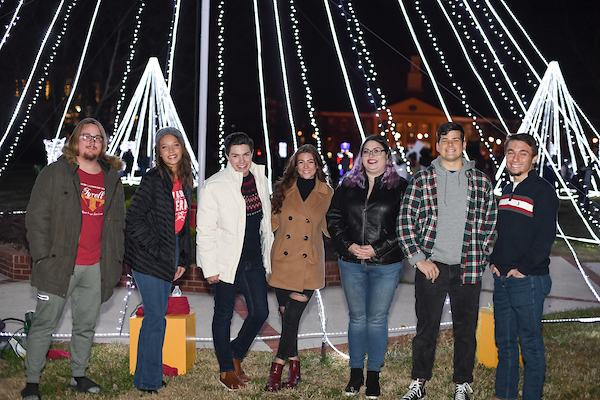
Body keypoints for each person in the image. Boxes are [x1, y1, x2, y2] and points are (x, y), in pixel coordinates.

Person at [22, 118, 125, 400]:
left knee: (85, 325)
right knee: (44, 324)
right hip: (59, 264)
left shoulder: (112, 179)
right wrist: (42, 257)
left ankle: (78, 375)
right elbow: (37, 216)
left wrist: (115, 259)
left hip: (95, 267)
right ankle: (32, 381)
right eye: (86, 136)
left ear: (103, 145)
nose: (92, 142)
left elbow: (117, 225)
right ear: (75, 141)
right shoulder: (55, 173)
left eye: (98, 138)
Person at [398, 122, 497, 400]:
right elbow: (405, 222)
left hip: (468, 267)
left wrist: (480, 255)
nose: (451, 145)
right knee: (426, 328)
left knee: (465, 330)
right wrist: (419, 259)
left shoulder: (480, 181)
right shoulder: (421, 180)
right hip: (432, 267)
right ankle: (418, 382)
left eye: (456, 140)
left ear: (464, 145)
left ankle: (462, 383)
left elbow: (490, 224)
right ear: (438, 145)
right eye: (445, 140)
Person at [327, 135, 408, 399]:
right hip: (350, 262)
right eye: (366, 151)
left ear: (387, 156)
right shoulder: (347, 185)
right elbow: (334, 218)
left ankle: (373, 375)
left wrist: (378, 248)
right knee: (357, 319)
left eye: (377, 150)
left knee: (376, 320)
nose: (371, 155)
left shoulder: (401, 187)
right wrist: (347, 245)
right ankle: (355, 374)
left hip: (386, 263)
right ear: (360, 157)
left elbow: (406, 226)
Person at [196, 132, 273, 391]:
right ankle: (226, 370)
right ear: (227, 156)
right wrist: (210, 267)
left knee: (261, 312)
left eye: (246, 154)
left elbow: (264, 222)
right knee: (223, 316)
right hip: (226, 261)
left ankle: (235, 353)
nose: (242, 160)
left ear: (253, 154)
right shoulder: (214, 185)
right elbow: (205, 230)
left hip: (253, 260)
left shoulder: (260, 178)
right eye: (235, 155)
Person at [123, 127, 193, 393]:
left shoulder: (185, 179)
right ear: (158, 153)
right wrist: (157, 249)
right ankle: (146, 381)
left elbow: (183, 224)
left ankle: (147, 374)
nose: (171, 151)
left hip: (171, 252)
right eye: (165, 147)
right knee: (155, 317)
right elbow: (134, 220)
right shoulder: (153, 179)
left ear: (182, 148)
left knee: (157, 316)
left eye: (174, 145)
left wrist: (183, 258)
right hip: (148, 257)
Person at [490, 133, 559, 400]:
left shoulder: (542, 190)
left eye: (523, 153)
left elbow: (544, 237)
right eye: (511, 152)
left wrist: (524, 269)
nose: (515, 158)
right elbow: (505, 233)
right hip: (502, 279)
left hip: (527, 280)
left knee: (530, 344)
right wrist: (494, 262)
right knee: (504, 343)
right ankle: (503, 395)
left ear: (534, 158)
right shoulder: (507, 190)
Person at [264, 144, 333, 391]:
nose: (305, 166)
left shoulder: (327, 193)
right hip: (282, 262)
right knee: (287, 319)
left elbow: (332, 226)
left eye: (310, 162)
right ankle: (295, 367)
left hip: (308, 264)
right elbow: (269, 223)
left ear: (317, 165)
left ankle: (277, 367)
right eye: (301, 162)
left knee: (292, 317)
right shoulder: (282, 190)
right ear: (295, 165)